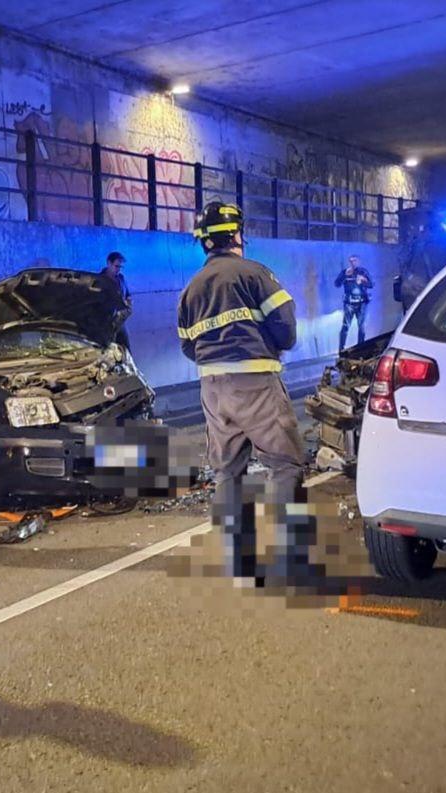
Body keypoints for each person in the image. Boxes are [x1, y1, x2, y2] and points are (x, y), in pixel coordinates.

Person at [178, 201, 309, 586]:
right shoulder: (255, 273)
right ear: (236, 234)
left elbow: (187, 345)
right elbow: (286, 329)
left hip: (213, 390)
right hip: (255, 382)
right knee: (285, 464)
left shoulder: (190, 290)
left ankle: (239, 564)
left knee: (228, 472)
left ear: (204, 242)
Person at [335, 255, 373, 349]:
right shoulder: (345, 272)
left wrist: (364, 280)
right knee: (345, 326)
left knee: (361, 326)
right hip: (349, 303)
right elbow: (337, 284)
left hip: (362, 303)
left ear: (359, 261)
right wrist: (344, 276)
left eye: (355, 260)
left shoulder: (363, 272)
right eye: (351, 261)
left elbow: (372, 284)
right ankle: (341, 349)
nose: (353, 263)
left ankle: (360, 348)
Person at [100, 251, 133, 351]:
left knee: (126, 350)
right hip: (105, 323)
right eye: (116, 266)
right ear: (108, 263)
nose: (118, 269)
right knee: (108, 351)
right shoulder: (99, 280)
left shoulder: (121, 278)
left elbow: (128, 295)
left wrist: (128, 304)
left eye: (121, 267)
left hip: (120, 322)